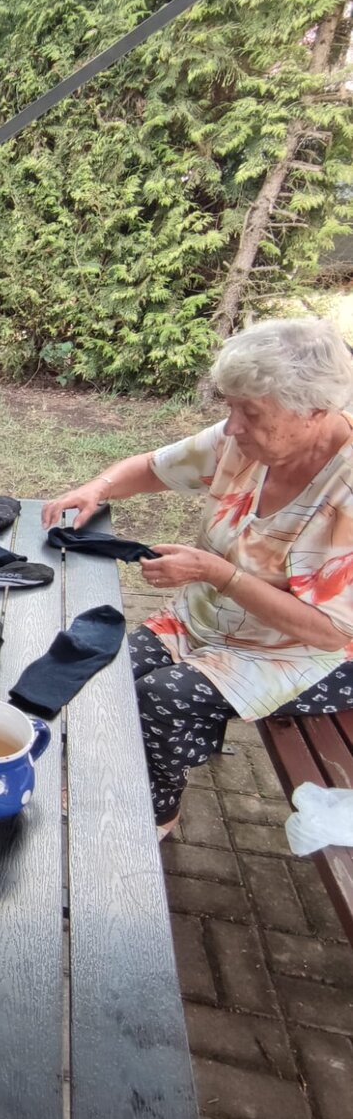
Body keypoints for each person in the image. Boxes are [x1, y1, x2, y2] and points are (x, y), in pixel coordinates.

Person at [42, 319, 353, 838]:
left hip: (305, 655)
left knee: (161, 699)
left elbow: (331, 632)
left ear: (315, 411)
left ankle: (157, 812)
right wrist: (99, 487)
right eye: (231, 407)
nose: (231, 428)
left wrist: (217, 573)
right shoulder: (249, 441)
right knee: (107, 668)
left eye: (250, 413)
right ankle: (121, 768)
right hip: (208, 621)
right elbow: (155, 467)